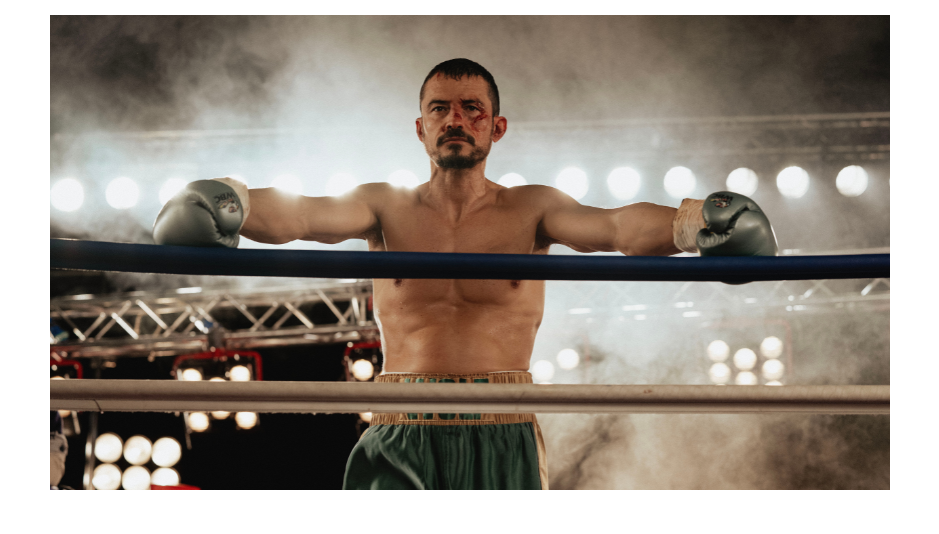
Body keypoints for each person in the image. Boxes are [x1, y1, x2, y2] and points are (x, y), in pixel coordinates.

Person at [153, 58, 777, 490]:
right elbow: (303, 215)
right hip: (400, 426)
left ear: (496, 127)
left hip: (501, 423)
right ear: (421, 127)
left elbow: (615, 228)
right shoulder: (383, 204)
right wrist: (228, 197)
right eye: (441, 109)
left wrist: (693, 224)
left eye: (472, 109)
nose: (456, 119)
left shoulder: (534, 207)